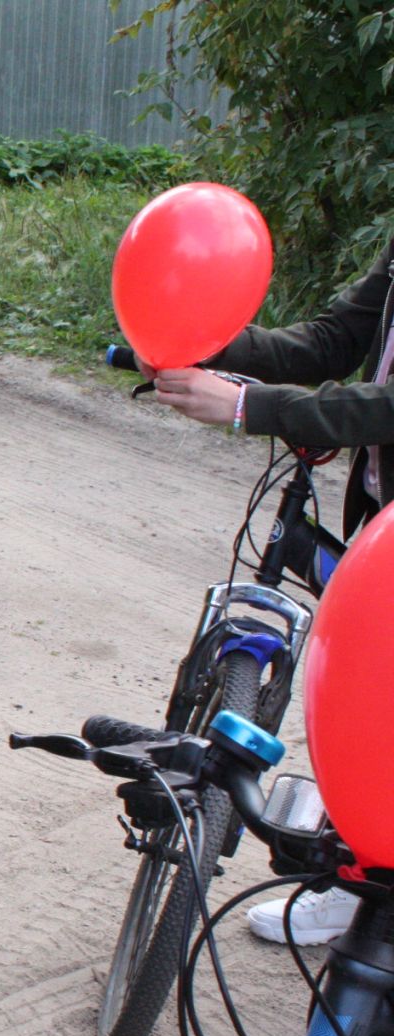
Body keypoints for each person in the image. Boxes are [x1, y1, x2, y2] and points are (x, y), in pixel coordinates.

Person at [142, 235, 394, 945]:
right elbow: (332, 341)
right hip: (383, 517)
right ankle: (359, 876)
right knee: (371, 689)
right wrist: (205, 346)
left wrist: (257, 406)